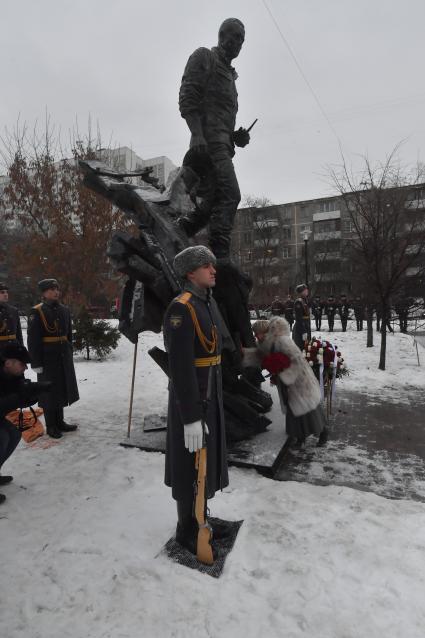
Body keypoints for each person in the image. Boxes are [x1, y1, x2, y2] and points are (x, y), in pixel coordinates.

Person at [163, 246, 228, 554]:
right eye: (206, 265)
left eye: (212, 265)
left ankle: (200, 516)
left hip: (209, 394)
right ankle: (185, 529)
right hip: (191, 399)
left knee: (206, 460)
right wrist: (189, 416)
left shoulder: (206, 303)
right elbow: (179, 366)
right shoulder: (182, 308)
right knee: (187, 464)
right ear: (190, 272)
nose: (213, 270)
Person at [178, 18, 250, 257]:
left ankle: (178, 229)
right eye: (234, 36)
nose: (238, 43)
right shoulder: (204, 57)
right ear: (221, 35)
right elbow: (188, 95)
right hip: (208, 145)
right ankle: (220, 256)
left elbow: (219, 114)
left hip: (223, 144)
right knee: (231, 194)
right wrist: (197, 134)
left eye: (241, 39)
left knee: (209, 206)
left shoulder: (231, 77)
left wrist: (235, 136)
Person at [251, 317, 328, 448]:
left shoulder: (283, 341)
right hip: (289, 384)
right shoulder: (269, 343)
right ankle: (300, 437)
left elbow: (295, 359)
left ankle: (322, 432)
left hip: (300, 382)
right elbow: (265, 357)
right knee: (294, 411)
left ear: (265, 332)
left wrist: (282, 371)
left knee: (309, 410)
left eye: (257, 332)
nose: (256, 336)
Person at [27, 279, 79, 439]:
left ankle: (60, 421)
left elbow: (68, 334)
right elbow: (33, 340)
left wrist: (69, 350)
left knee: (62, 389)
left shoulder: (64, 310)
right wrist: (36, 363)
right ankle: (51, 426)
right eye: (51, 289)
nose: (56, 292)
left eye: (57, 289)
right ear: (43, 293)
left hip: (63, 356)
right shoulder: (37, 311)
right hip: (47, 358)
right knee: (49, 391)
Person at [0, 343, 48, 504]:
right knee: (2, 438)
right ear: (8, 363)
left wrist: (34, 392)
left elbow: (19, 398)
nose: (25, 368)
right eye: (22, 364)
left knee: (13, 434)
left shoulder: (14, 374)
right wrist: (19, 396)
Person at [0, 283, 23, 348]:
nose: (5, 294)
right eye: (2, 292)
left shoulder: (14, 310)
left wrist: (21, 350)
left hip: (13, 349)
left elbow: (19, 334)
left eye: (6, 292)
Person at [292, 284, 311, 350]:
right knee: (301, 347)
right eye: (305, 290)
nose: (307, 291)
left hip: (306, 325)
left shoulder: (305, 300)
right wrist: (303, 331)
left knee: (306, 346)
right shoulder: (299, 302)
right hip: (301, 327)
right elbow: (299, 318)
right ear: (301, 292)